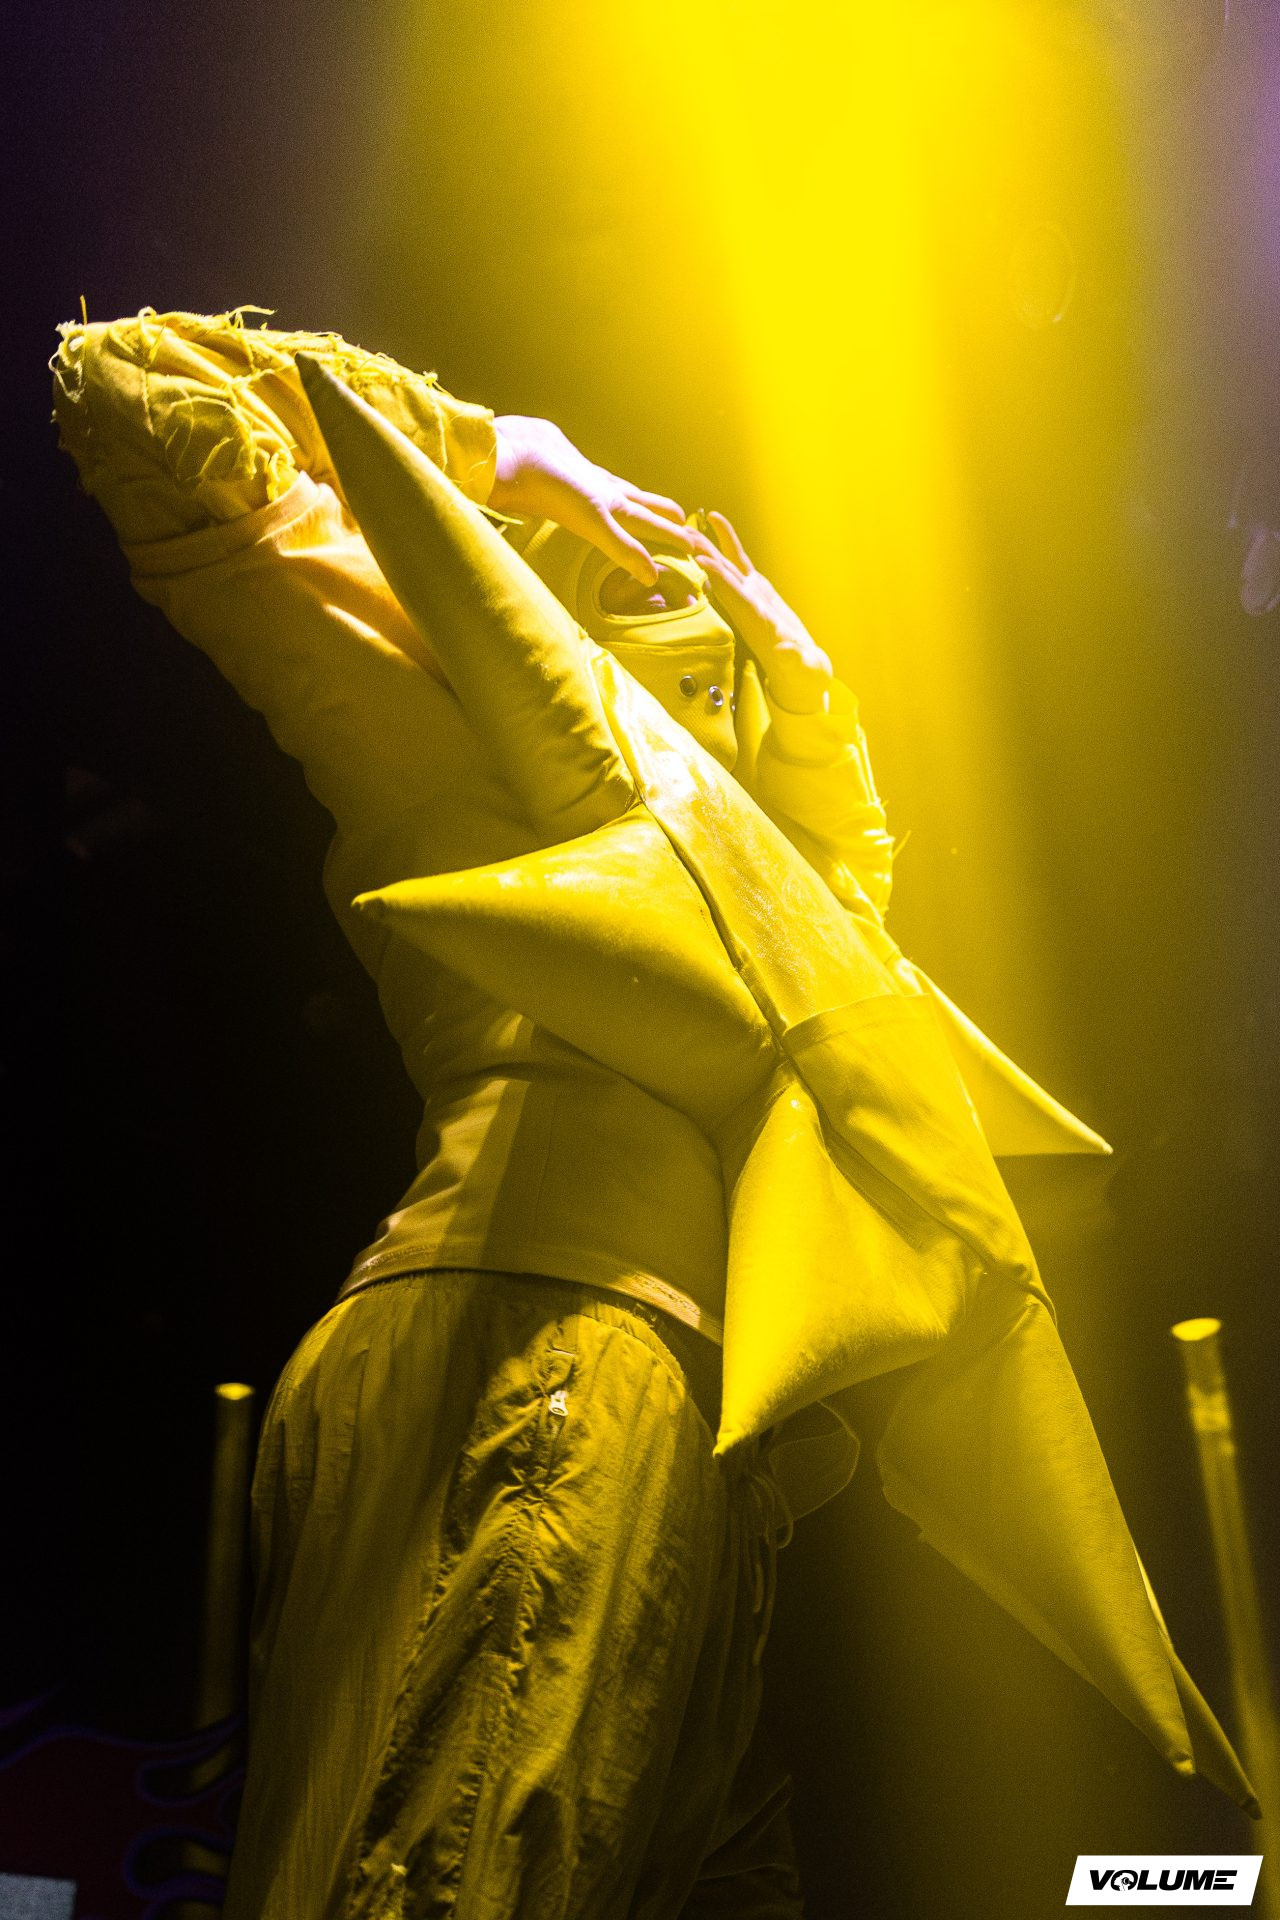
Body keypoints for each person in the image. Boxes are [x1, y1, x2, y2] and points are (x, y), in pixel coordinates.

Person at [52, 308, 1252, 1920]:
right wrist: (515, 453)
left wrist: (809, 703)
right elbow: (130, 390)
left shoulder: (786, 920)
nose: (678, 598)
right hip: (531, 1348)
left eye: (716, 617)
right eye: (627, 586)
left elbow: (832, 897)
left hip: (675, 1425)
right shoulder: (457, 749)